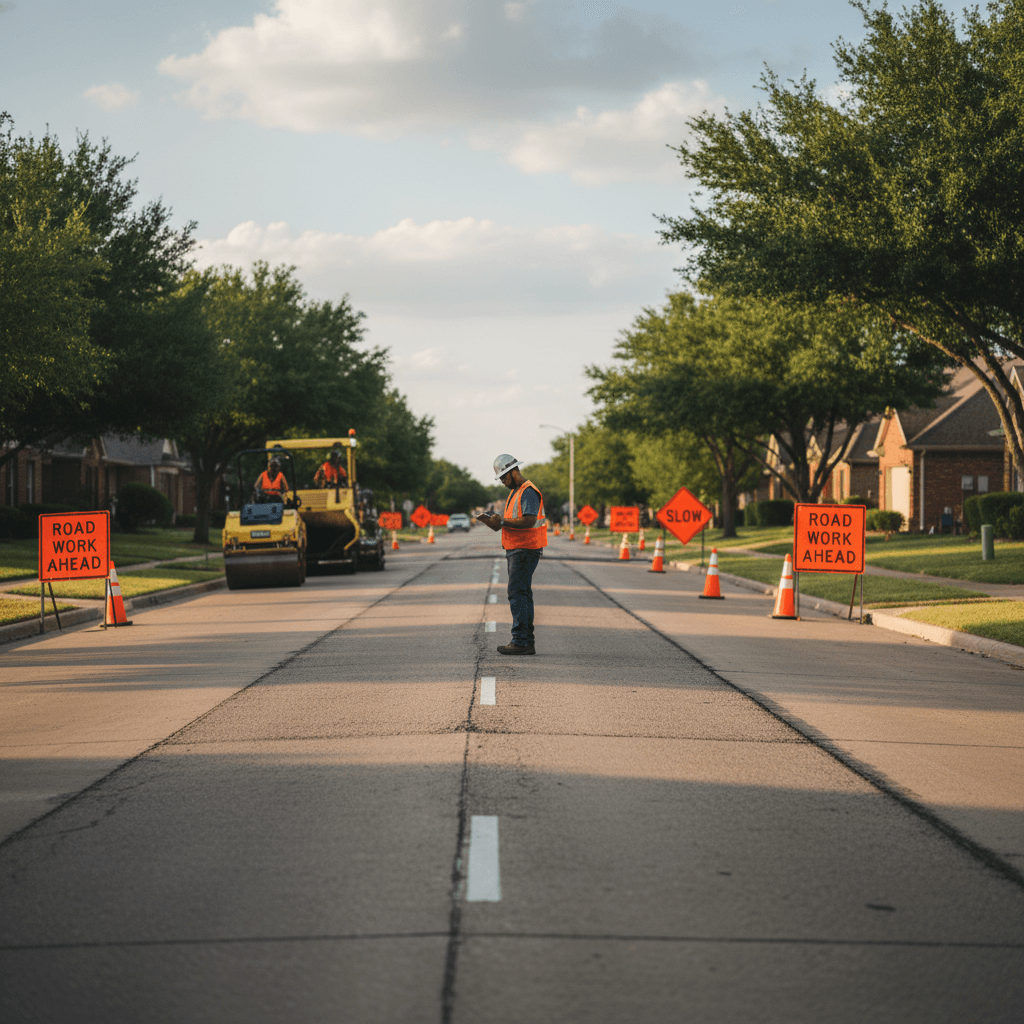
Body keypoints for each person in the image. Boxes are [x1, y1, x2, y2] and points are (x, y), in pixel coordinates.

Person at [478, 454, 546, 655]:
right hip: (517, 548)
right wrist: (494, 523)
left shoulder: (528, 492)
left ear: (513, 472)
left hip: (525, 549)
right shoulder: (516, 492)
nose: (502, 482)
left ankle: (522, 641)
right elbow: (510, 522)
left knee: (519, 594)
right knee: (521, 593)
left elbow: (529, 521)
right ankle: (524, 640)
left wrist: (502, 522)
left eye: (503, 477)